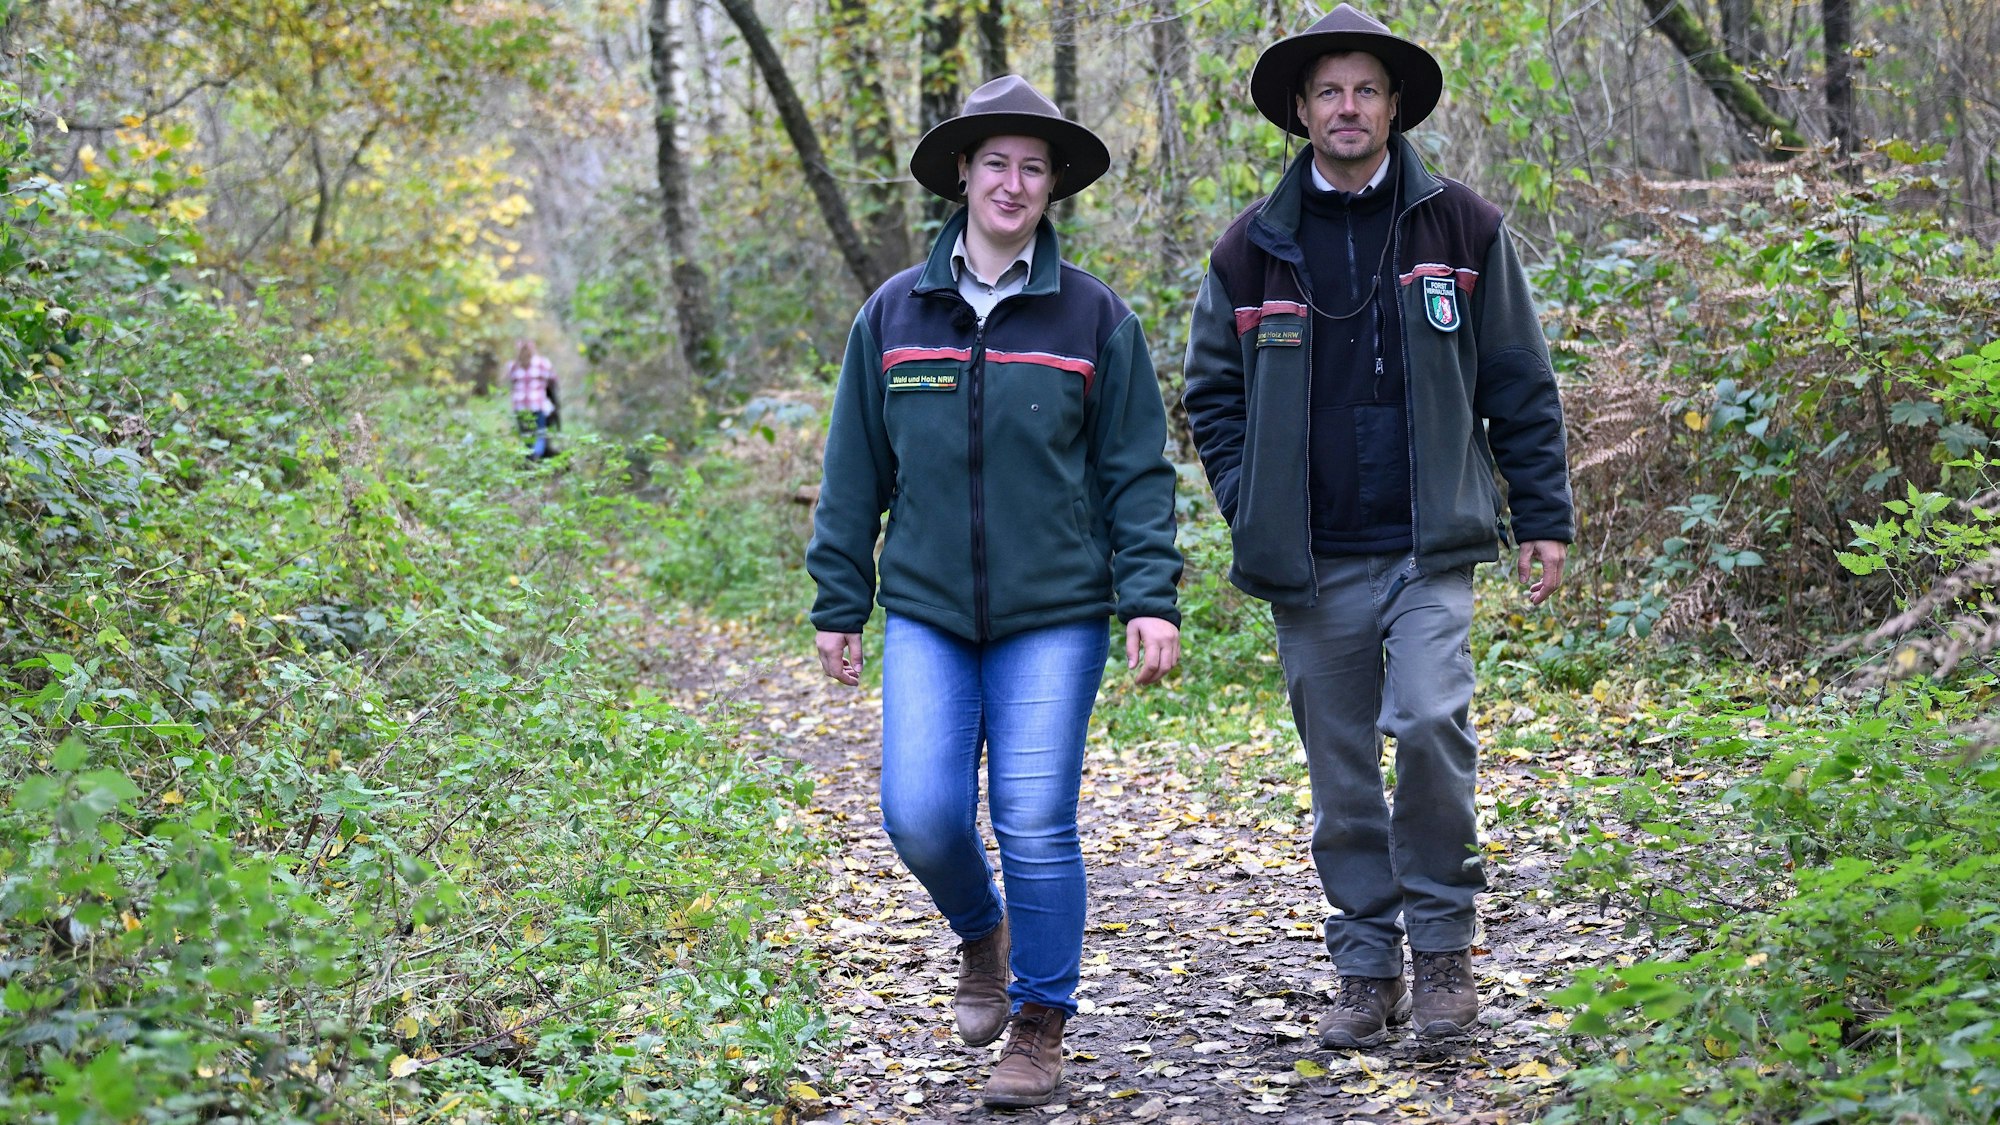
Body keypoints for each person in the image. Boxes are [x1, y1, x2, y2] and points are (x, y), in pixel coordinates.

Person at [1181, 4, 1574, 1048]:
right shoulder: (1251, 249)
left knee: (1432, 725)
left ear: (1393, 107)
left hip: (1426, 545)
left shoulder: (1463, 228)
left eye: (1364, 89)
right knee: (1341, 772)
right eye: (1326, 92)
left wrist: (1541, 514)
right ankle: (1366, 969)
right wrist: (1248, 497)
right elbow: (1209, 400)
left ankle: (1443, 955)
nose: (1345, 107)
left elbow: (1517, 382)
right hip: (1309, 563)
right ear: (1300, 113)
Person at [807, 75, 1184, 1108]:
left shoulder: (1093, 318)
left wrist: (1149, 595)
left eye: (1031, 166)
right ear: (962, 177)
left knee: (1032, 818)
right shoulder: (893, 314)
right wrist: (839, 600)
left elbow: (1133, 474)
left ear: (1051, 184)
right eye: (994, 163)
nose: (1011, 182)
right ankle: (982, 931)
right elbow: (854, 472)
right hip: (927, 609)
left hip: (1053, 613)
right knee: (920, 814)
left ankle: (1037, 1022)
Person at [507, 339, 556, 460]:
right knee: (540, 433)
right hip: (538, 404)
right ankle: (537, 455)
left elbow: (510, 382)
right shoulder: (543, 363)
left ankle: (529, 457)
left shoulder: (513, 366)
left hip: (520, 406)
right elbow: (553, 379)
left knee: (526, 434)